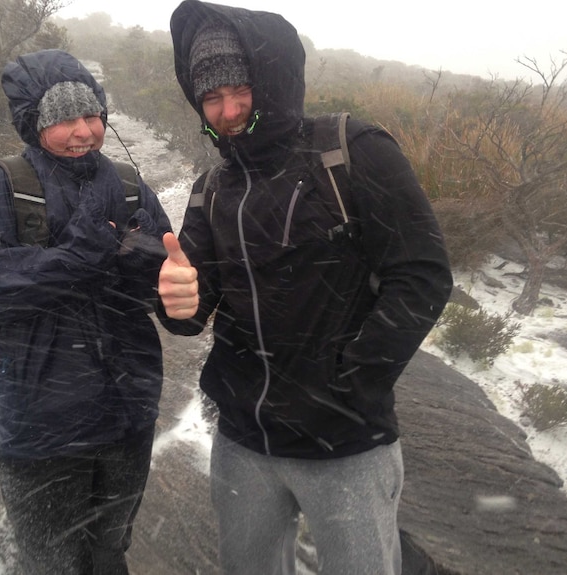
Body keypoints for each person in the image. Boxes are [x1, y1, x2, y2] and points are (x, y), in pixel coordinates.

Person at [157, 2, 453, 574]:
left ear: (273, 79)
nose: (228, 111)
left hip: (345, 442)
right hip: (243, 440)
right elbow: (192, 309)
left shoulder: (351, 149)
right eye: (211, 99)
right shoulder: (211, 188)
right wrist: (175, 302)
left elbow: (421, 272)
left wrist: (355, 378)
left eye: (240, 90)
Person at [0, 49, 172, 575]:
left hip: (127, 417)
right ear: (34, 124)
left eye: (91, 115)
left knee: (109, 551)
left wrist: (154, 269)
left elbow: (172, 286)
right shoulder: (5, 186)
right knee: (51, 561)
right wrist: (73, 259)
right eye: (63, 119)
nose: (83, 130)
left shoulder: (126, 185)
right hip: (41, 432)